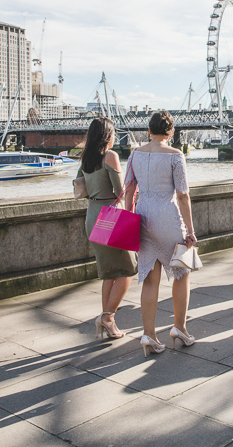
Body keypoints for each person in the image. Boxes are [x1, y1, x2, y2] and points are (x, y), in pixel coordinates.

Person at [124, 110, 197, 356]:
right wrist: (190, 230)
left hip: (143, 216)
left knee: (149, 277)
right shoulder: (175, 156)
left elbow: (129, 189)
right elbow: (183, 195)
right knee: (181, 272)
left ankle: (149, 335)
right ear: (171, 132)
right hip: (168, 217)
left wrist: (129, 218)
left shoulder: (134, 154)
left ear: (149, 131)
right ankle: (179, 328)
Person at [78, 117, 137, 341]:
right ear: (107, 136)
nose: (114, 137)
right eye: (112, 133)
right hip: (110, 216)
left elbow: (79, 187)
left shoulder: (85, 159)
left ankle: (108, 322)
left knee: (109, 272)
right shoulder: (110, 156)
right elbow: (121, 191)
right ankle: (107, 317)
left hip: (92, 215)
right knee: (128, 268)